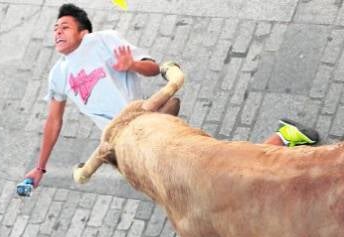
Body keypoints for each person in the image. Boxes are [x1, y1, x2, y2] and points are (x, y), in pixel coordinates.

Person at [24, 3, 319, 189]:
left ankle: (282, 141)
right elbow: (53, 120)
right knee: (189, 187)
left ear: (83, 31)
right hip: (122, 146)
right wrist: (40, 168)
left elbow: (152, 68)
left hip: (148, 127)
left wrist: (131, 65)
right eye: (54, 29)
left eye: (64, 27)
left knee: (211, 177)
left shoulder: (102, 41)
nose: (57, 33)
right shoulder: (58, 74)